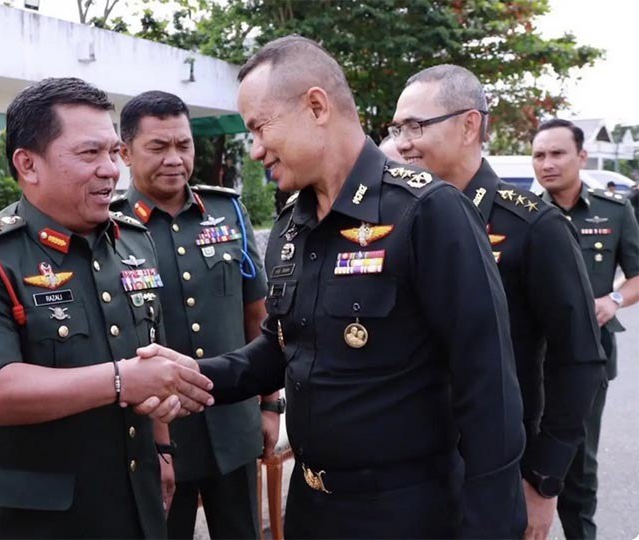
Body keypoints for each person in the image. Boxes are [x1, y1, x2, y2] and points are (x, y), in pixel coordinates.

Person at [139, 35, 527, 538]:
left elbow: (489, 384)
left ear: (316, 107)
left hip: (406, 514)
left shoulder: (429, 211)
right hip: (312, 509)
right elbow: (282, 347)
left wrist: (492, 526)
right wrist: (196, 375)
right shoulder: (292, 225)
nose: (255, 150)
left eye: (259, 127)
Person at [0, 78, 215, 539]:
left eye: (113, 152)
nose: (110, 170)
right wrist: (121, 380)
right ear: (28, 164)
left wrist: (162, 449)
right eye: (89, 154)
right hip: (39, 521)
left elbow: (151, 356)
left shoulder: (132, 241)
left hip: (135, 501)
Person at [391, 64, 606, 540]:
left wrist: (544, 481)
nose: (403, 143)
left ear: (470, 125)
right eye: (397, 128)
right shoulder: (399, 218)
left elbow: (579, 360)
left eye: (415, 126)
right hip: (408, 471)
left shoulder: (533, 227)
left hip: (496, 472)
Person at [112, 90, 276, 540]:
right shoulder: (111, 226)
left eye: (183, 145)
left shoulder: (226, 211)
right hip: (157, 438)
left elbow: (258, 316)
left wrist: (269, 404)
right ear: (125, 152)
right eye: (158, 147)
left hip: (232, 424)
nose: (174, 159)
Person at [532, 119, 639, 540]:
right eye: (539, 155)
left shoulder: (614, 211)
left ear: (582, 156)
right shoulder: (522, 211)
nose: (547, 164)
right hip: (529, 357)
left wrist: (613, 301)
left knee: (578, 465)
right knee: (520, 457)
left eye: (557, 153)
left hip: (589, 358)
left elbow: (637, 275)